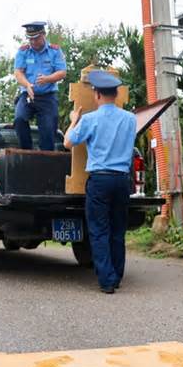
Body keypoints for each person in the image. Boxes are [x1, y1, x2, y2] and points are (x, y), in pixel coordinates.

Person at [64, 70, 137, 294]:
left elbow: (68, 142)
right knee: (117, 229)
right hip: (122, 181)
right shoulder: (130, 119)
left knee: (99, 230)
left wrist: (74, 121)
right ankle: (116, 276)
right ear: (116, 94)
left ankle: (106, 281)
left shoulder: (89, 119)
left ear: (96, 95)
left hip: (100, 180)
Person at [13, 21, 67, 151]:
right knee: (19, 118)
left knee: (48, 129)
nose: (33, 42)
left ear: (43, 34)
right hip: (28, 94)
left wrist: (48, 79)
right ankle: (26, 151)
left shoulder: (54, 51)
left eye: (36, 38)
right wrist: (27, 85)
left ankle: (45, 156)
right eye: (30, 38)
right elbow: (18, 72)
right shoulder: (23, 52)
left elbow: (62, 72)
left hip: (48, 97)